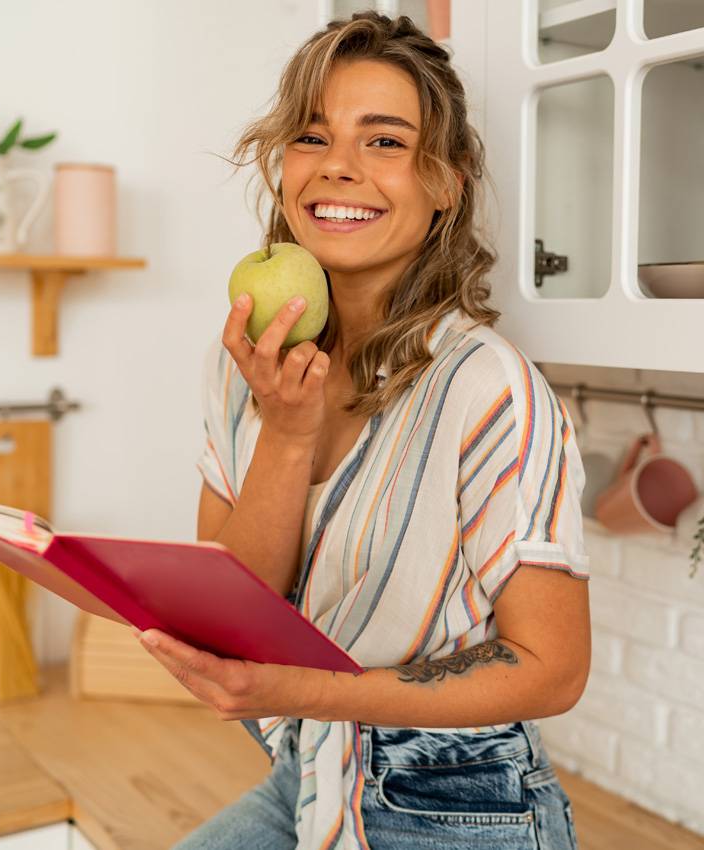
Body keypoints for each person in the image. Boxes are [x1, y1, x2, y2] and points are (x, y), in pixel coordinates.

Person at [135, 11, 590, 850]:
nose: (337, 166)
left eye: (383, 141)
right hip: (309, 776)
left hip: (464, 802)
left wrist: (306, 692)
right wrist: (286, 430)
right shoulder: (241, 364)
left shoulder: (488, 386)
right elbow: (237, 609)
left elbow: (553, 668)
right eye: (311, 136)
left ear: (446, 182)